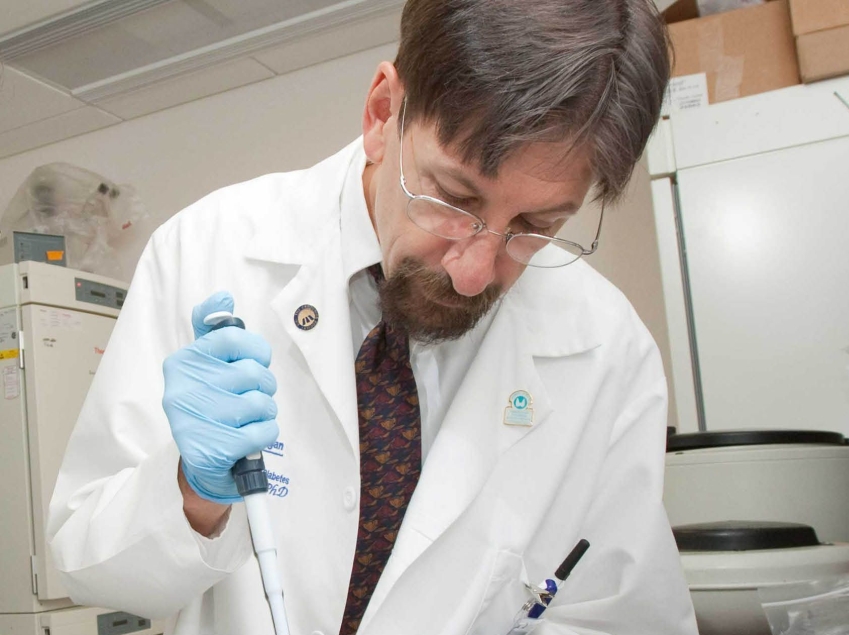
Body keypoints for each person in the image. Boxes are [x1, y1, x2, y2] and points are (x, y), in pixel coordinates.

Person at [48, 0, 697, 633]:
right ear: (383, 113)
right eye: (453, 197)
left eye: (535, 226)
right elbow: (86, 564)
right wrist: (191, 492)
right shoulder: (206, 249)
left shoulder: (609, 351)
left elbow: (623, 614)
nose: (473, 271)